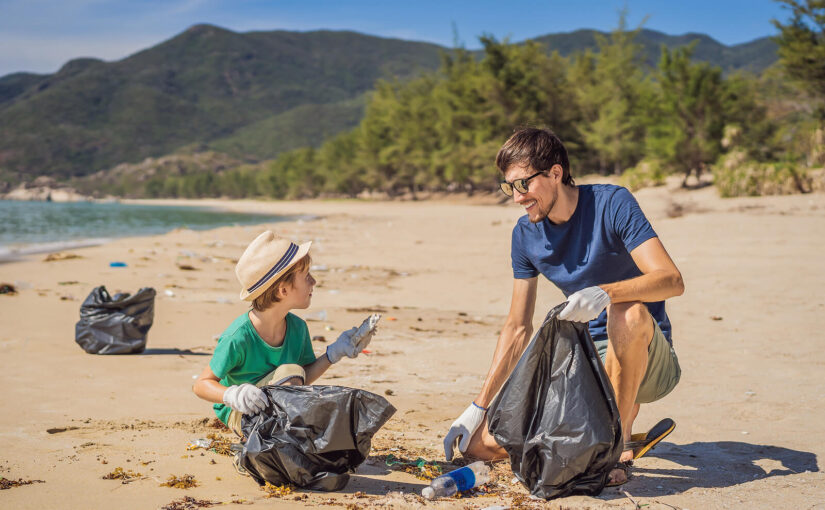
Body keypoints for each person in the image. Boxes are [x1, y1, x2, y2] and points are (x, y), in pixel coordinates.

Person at [442, 128, 684, 485]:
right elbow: (517, 327)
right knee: (479, 446)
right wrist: (478, 407)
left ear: (555, 173)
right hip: (582, 362)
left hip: (644, 354)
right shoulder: (525, 235)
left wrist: (606, 292)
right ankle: (594, 435)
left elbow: (671, 280)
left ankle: (611, 448)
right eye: (509, 187)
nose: (517, 198)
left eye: (523, 184)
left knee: (626, 310)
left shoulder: (612, 203)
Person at [193, 230, 379, 437]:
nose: (314, 282)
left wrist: (333, 354)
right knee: (292, 373)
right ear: (283, 291)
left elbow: (300, 379)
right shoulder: (238, 336)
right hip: (242, 412)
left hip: (276, 408)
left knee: (300, 382)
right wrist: (232, 394)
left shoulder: (298, 329)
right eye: (307, 276)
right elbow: (201, 385)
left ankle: (284, 436)